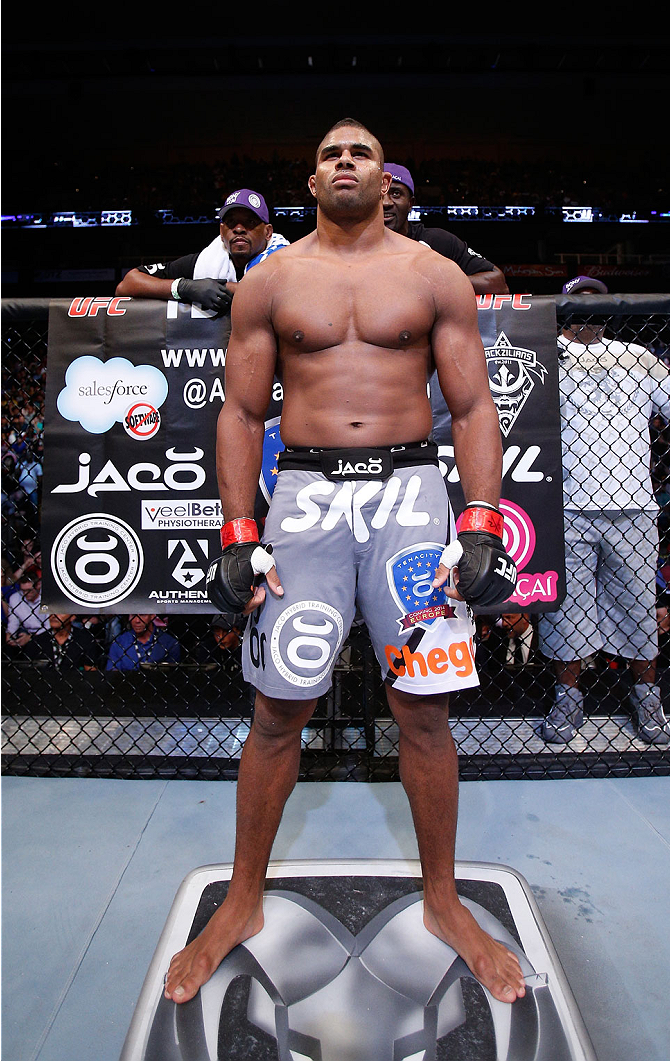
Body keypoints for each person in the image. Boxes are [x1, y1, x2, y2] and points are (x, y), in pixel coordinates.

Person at [164, 118, 523, 1008]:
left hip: (409, 497)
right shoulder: (272, 280)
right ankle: (242, 899)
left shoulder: (433, 274)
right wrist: (238, 533)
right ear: (312, 181)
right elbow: (241, 415)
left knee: (424, 709)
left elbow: (474, 404)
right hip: (308, 503)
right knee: (276, 708)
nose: (347, 162)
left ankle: (443, 900)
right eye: (331, 154)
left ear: (386, 175)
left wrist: (478, 523)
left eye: (361, 151)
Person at [539, 276, 670, 746]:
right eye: (578, 300)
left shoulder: (636, 355)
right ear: (562, 308)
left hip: (633, 504)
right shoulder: (543, 356)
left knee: (638, 608)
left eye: (597, 300)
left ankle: (648, 695)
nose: (588, 308)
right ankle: (568, 699)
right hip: (564, 505)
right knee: (567, 610)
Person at [115, 189, 289, 314]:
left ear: (268, 232)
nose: (239, 229)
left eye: (250, 222)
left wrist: (227, 289)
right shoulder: (207, 260)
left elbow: (276, 293)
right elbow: (127, 284)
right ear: (222, 232)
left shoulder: (285, 257)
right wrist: (184, 287)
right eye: (231, 222)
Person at [383, 164, 508, 294]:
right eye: (379, 194)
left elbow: (497, 283)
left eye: (396, 193)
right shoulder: (359, 245)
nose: (386, 203)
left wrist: (435, 283)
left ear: (410, 203)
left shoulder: (437, 241)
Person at [105, 613, 181, 671]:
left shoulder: (169, 643)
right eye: (133, 615)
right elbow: (113, 674)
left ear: (152, 616)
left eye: (142, 615)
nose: (137, 620)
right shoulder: (119, 643)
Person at [24, 613, 100, 670]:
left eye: (60, 612)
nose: (54, 615)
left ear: (73, 616)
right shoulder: (37, 641)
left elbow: (91, 673)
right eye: (51, 611)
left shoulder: (85, 640)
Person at [5, 567, 50, 650]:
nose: (26, 593)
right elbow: (13, 621)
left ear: (38, 585)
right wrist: (10, 634)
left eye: (29, 590)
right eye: (23, 590)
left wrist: (30, 638)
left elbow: (49, 625)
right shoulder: (15, 598)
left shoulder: (48, 597)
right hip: (25, 630)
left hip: (45, 632)